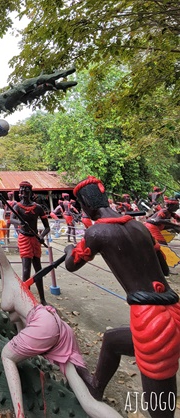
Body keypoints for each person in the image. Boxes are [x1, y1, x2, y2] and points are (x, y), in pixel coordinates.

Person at [0, 205, 121, 418]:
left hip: (43, 321)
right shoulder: (10, 290)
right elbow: (20, 327)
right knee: (87, 401)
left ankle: (19, 414)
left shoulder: (12, 277)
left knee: (7, 355)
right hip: (51, 328)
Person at [65, 176, 180, 418]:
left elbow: (71, 264)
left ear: (85, 205)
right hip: (174, 305)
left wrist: (69, 249)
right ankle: (96, 386)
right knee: (112, 341)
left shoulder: (97, 232)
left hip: (151, 317)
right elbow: (165, 268)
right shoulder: (141, 227)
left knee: (159, 396)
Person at [10, 181, 50, 305]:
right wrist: (20, 223)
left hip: (35, 239)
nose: (23, 193)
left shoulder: (37, 208)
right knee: (26, 269)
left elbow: (47, 227)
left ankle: (42, 299)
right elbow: (11, 219)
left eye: (26, 190)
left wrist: (42, 236)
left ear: (30, 192)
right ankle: (26, 298)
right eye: (21, 191)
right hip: (24, 238)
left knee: (38, 269)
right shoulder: (17, 206)